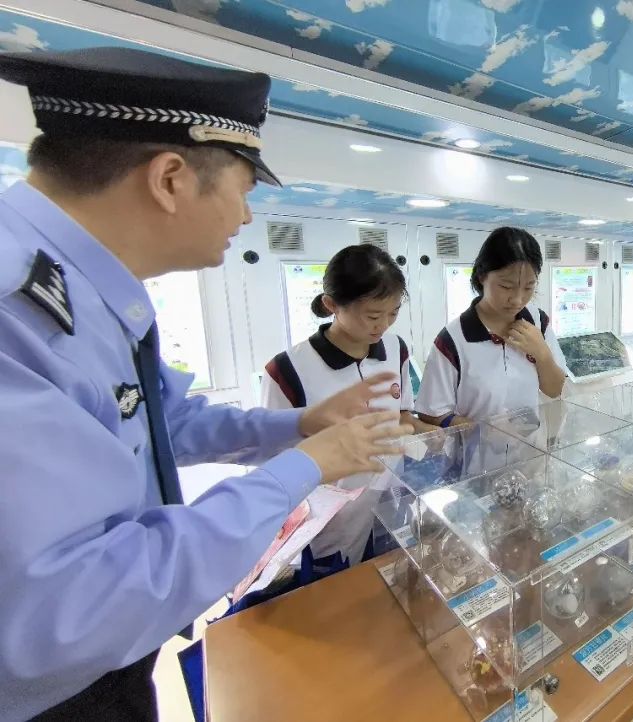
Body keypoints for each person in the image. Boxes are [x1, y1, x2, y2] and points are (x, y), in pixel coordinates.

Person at [0, 47, 409, 721]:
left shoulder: (86, 293)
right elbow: (64, 604)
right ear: (171, 179)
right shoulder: (17, 311)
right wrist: (302, 467)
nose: (245, 218)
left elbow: (166, 422)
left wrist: (300, 426)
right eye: (244, 191)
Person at [261, 243, 435, 564]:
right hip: (327, 520)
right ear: (332, 305)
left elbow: (401, 416)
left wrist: (437, 436)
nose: (383, 325)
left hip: (388, 500)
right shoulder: (288, 370)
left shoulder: (395, 348)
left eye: (394, 312)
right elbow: (274, 460)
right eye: (373, 315)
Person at [416, 227, 568, 426]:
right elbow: (431, 414)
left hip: (530, 444)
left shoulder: (538, 321)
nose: (518, 299)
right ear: (482, 276)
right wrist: (483, 432)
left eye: (529, 287)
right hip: (477, 446)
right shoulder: (453, 339)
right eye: (506, 286)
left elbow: (555, 390)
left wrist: (542, 354)